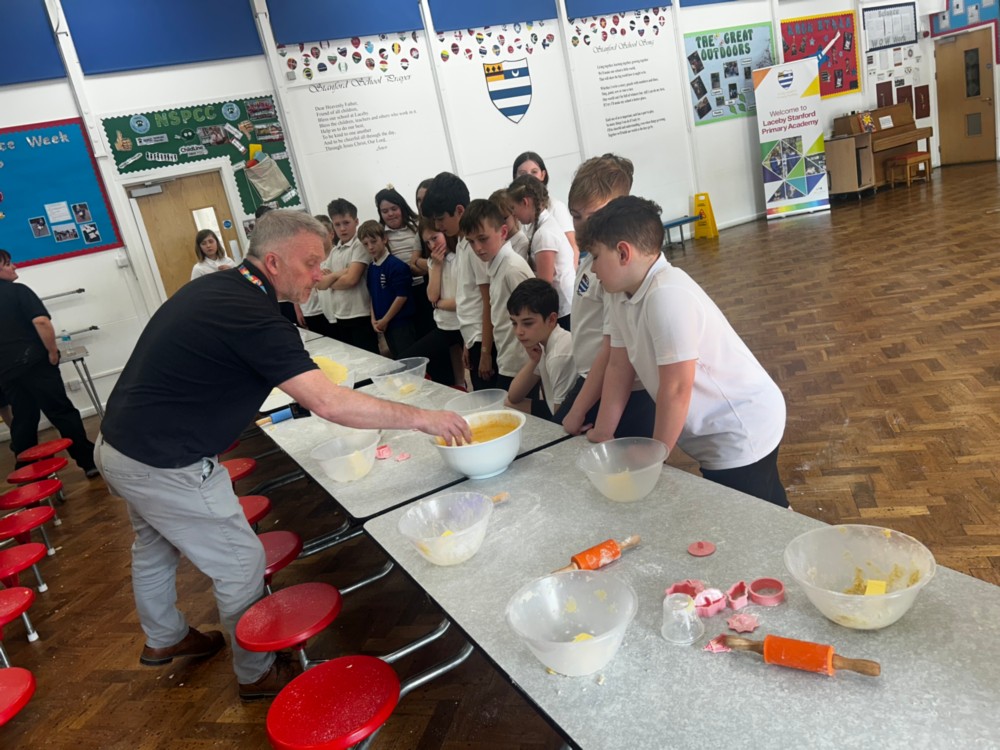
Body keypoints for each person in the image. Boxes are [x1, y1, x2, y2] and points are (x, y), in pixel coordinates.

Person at [94, 210, 471, 702]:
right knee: (240, 564)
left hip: (119, 447)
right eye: (310, 262)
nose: (320, 273)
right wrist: (424, 418)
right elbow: (329, 402)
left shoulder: (218, 288)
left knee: (154, 544)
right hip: (165, 462)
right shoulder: (253, 316)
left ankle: (164, 636)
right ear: (273, 262)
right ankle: (257, 672)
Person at [579, 197, 788, 507]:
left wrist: (654, 455)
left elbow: (676, 389)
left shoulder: (666, 295)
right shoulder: (620, 295)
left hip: (740, 429)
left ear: (623, 253)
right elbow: (619, 367)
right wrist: (603, 432)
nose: (592, 268)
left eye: (596, 256)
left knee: (752, 518)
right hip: (718, 431)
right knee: (769, 506)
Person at [556, 155, 655, 440]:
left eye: (595, 217)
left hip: (621, 391)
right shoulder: (592, 259)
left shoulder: (616, 271)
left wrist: (578, 410)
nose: (584, 227)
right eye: (576, 216)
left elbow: (614, 355)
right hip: (594, 380)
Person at [0, 250, 98, 475]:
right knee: (61, 411)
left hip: (6, 370)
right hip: (35, 363)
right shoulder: (19, 291)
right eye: (7, 264)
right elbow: (41, 322)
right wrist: (53, 351)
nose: (14, 267)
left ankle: (26, 468)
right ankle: (88, 461)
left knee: (23, 418)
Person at [421, 173, 497, 390]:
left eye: (441, 219)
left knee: (491, 400)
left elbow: (487, 302)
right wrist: (467, 342)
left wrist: (485, 351)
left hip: (485, 341)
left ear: (460, 210)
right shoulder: (463, 244)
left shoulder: (475, 248)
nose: (438, 225)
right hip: (473, 337)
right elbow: (468, 300)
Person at [459, 200, 532, 391]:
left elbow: (534, 319)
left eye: (483, 239)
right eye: (471, 241)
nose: (477, 248)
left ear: (503, 232)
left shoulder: (512, 269)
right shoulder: (494, 265)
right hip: (507, 357)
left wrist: (533, 365)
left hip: (521, 363)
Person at [398, 219, 465, 387]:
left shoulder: (460, 258)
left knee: (468, 365)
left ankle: (461, 385)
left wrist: (439, 304)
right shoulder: (433, 261)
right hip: (444, 326)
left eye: (435, 238)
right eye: (427, 242)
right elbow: (432, 296)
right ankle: (459, 385)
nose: (432, 245)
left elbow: (462, 301)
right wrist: (436, 266)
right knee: (405, 359)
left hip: (463, 324)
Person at [507, 175, 574, 330]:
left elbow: (545, 285)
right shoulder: (542, 227)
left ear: (525, 202)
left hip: (564, 310)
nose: (513, 214)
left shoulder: (544, 234)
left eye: (513, 208)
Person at [505, 278, 575, 421]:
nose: (519, 332)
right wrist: (534, 361)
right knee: (508, 404)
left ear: (551, 319)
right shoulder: (543, 343)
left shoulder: (559, 354)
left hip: (567, 418)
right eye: (514, 323)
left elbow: (560, 421)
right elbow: (513, 397)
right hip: (558, 410)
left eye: (527, 323)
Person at [317, 198, 378, 353]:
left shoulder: (360, 245)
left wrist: (330, 278)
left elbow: (351, 280)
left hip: (360, 313)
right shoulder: (335, 250)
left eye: (346, 223)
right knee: (352, 361)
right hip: (340, 315)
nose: (342, 228)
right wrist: (341, 273)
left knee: (369, 359)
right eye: (337, 224)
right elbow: (320, 284)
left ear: (356, 221)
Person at [375, 186, 432, 335]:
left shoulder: (418, 226)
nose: (390, 214)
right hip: (398, 293)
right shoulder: (380, 235)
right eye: (385, 211)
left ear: (402, 207)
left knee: (428, 330)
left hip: (424, 287)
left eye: (394, 209)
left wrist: (420, 268)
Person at [359, 220, 415, 357]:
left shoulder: (396, 266)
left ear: (384, 239)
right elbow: (372, 295)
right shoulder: (371, 268)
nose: (370, 247)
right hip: (385, 325)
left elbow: (401, 296)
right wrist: (374, 319)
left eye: (373, 241)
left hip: (401, 324)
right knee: (396, 359)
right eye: (366, 244)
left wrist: (385, 319)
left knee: (408, 358)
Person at [512, 151, 579, 264]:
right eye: (523, 174)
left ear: (543, 175)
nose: (529, 177)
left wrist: (571, 274)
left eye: (534, 172)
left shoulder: (556, 207)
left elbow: (573, 248)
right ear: (515, 178)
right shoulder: (516, 211)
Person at [296, 215, 336, 337]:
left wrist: (330, 278)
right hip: (310, 311)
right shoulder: (307, 258)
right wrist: (298, 309)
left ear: (331, 234)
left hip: (329, 311)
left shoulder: (335, 255)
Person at [489, 189, 531, 262]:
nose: (498, 223)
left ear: (514, 214)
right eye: (494, 219)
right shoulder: (495, 239)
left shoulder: (522, 242)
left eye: (503, 218)